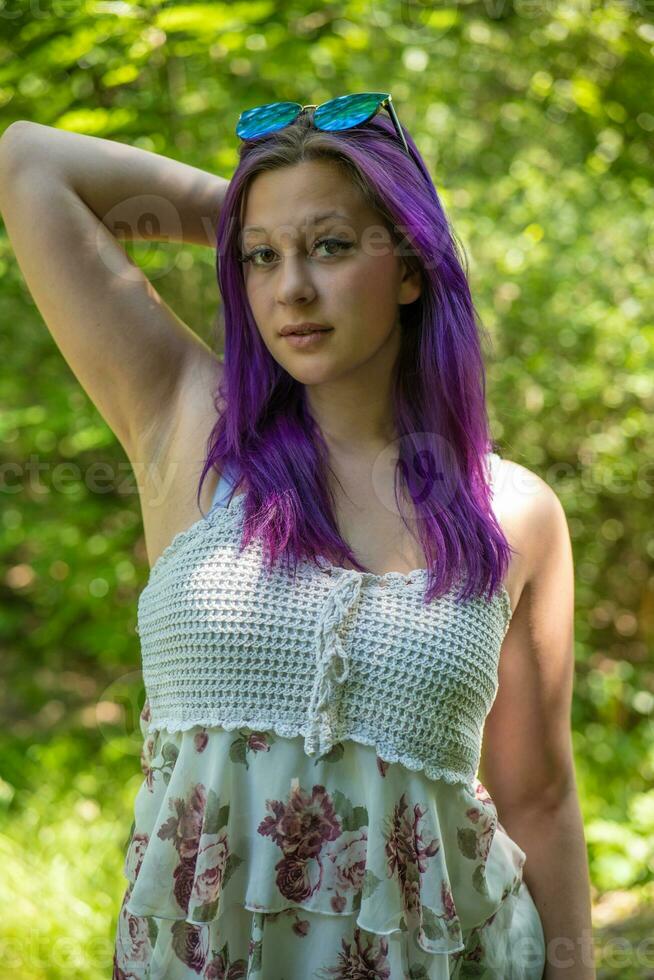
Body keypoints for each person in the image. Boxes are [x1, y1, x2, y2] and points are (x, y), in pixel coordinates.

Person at [0, 96, 595, 979]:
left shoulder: (514, 510)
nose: (292, 290)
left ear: (410, 264)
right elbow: (28, 162)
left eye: (331, 247)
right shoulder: (187, 426)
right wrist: (248, 205)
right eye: (261, 258)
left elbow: (539, 800)